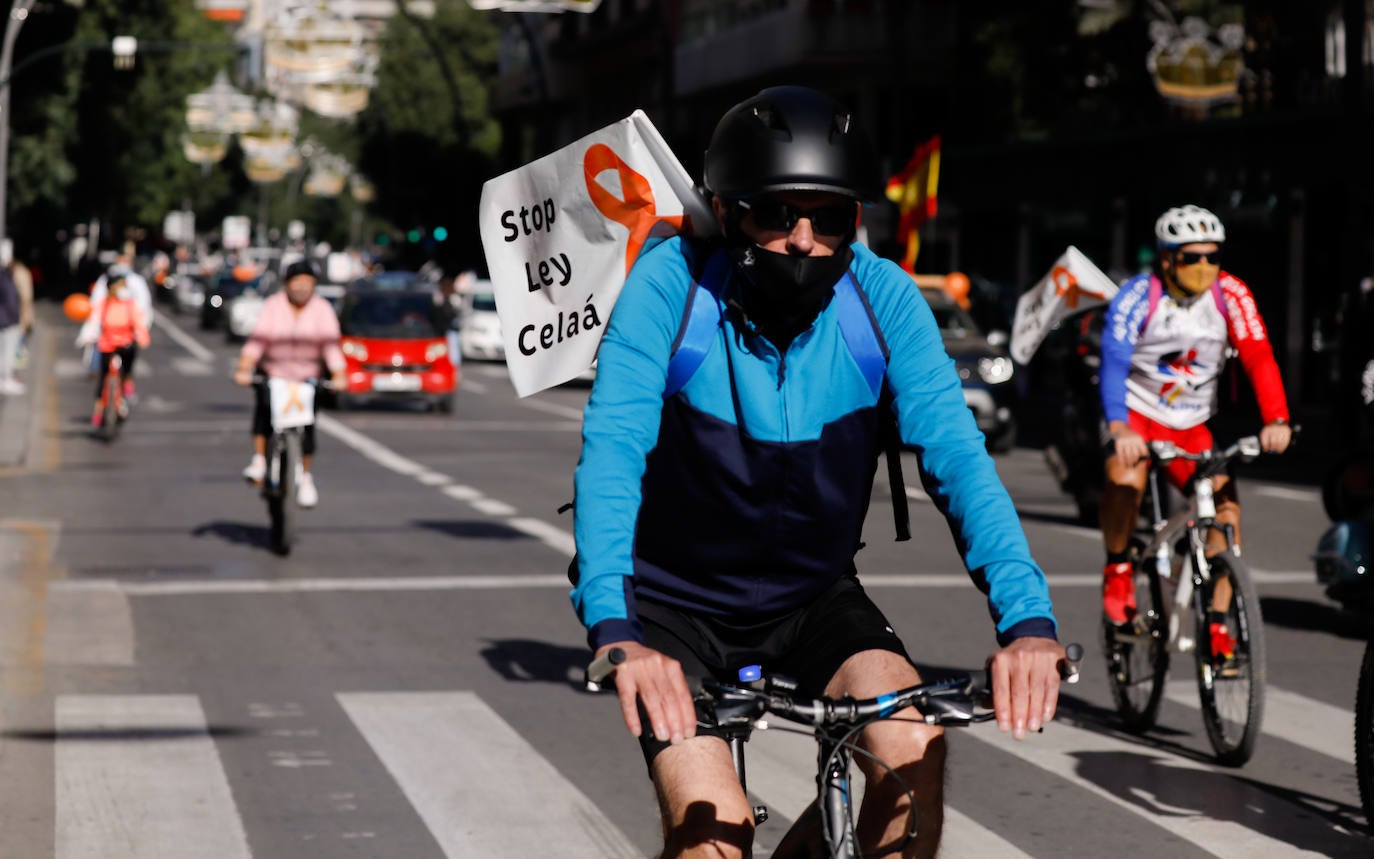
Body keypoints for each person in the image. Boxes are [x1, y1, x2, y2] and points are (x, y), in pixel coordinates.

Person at [571, 86, 1063, 859]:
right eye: (777, 214)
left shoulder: (883, 298)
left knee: (911, 755)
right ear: (728, 211)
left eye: (829, 217)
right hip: (672, 605)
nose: (804, 240)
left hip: (812, 597)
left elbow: (961, 460)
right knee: (715, 831)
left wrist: (1027, 623)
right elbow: (612, 451)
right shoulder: (671, 286)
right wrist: (616, 630)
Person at [1098, 204, 1291, 659]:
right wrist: (1119, 426)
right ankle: (1118, 567)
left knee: (1226, 515)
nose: (1204, 266)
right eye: (1191, 257)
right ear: (1167, 258)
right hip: (1139, 416)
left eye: (1212, 256)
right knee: (1124, 479)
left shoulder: (1231, 293)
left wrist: (1277, 419)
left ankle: (1219, 626)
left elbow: (1258, 355)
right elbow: (1114, 362)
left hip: (1193, 423)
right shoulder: (1137, 295)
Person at [233, 259, 346, 509]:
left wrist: (339, 375)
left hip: (308, 378)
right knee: (263, 411)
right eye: (297, 282)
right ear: (286, 284)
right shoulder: (273, 306)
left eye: (307, 282)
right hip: (274, 374)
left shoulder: (322, 309)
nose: (302, 287)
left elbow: (331, 346)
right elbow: (257, 341)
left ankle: (305, 477)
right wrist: (244, 368)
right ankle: (260, 459)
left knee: (309, 428)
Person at [77, 267, 149, 425]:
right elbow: (93, 322)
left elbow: (139, 323)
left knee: (126, 369)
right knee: (103, 379)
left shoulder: (130, 305)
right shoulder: (104, 304)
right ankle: (99, 409)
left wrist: (142, 338)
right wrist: (87, 337)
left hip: (126, 344)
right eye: (120, 286)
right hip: (107, 344)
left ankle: (126, 386)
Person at [0, 260, 20, 395]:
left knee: (3, 351)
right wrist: (15, 318)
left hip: (4, 320)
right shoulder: (6, 280)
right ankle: (5, 379)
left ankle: (4, 378)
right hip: (8, 321)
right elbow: (11, 302)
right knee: (8, 352)